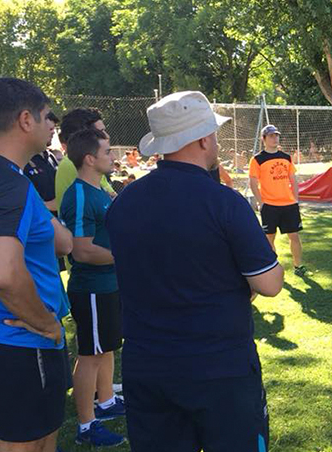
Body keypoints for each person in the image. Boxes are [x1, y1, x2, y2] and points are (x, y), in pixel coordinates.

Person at [106, 91, 284, 452]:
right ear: (203, 139)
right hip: (219, 367)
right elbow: (269, 283)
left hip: (148, 366)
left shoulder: (125, 201)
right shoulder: (224, 202)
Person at [0, 77, 73, 452]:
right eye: (46, 115)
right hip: (20, 338)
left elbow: (61, 242)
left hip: (9, 339)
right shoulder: (7, 183)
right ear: (25, 120)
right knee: (30, 443)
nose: (52, 124)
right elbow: (3, 274)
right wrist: (45, 323)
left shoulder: (10, 177)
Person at [59, 128, 126, 446]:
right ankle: (86, 425)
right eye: (107, 151)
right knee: (90, 354)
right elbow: (82, 250)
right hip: (92, 289)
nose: (112, 156)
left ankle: (107, 401)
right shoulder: (80, 194)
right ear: (89, 158)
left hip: (107, 285)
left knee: (106, 348)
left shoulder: (98, 190)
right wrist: (126, 256)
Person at [249, 124, 307, 276]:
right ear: (264, 139)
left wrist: (295, 199)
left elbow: (293, 179)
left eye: (276, 135)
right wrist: (261, 202)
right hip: (269, 205)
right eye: (271, 136)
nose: (275, 138)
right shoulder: (257, 159)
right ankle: (272, 267)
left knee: (294, 236)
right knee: (269, 238)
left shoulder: (286, 157)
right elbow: (253, 182)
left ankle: (298, 266)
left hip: (289, 204)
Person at [54, 108, 116, 213]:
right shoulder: (75, 163)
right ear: (86, 135)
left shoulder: (89, 163)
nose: (107, 136)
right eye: (101, 132)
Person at [24, 111, 60, 214]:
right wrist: (47, 205)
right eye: (50, 129)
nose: (53, 132)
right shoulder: (23, 159)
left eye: (54, 129)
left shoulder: (50, 157)